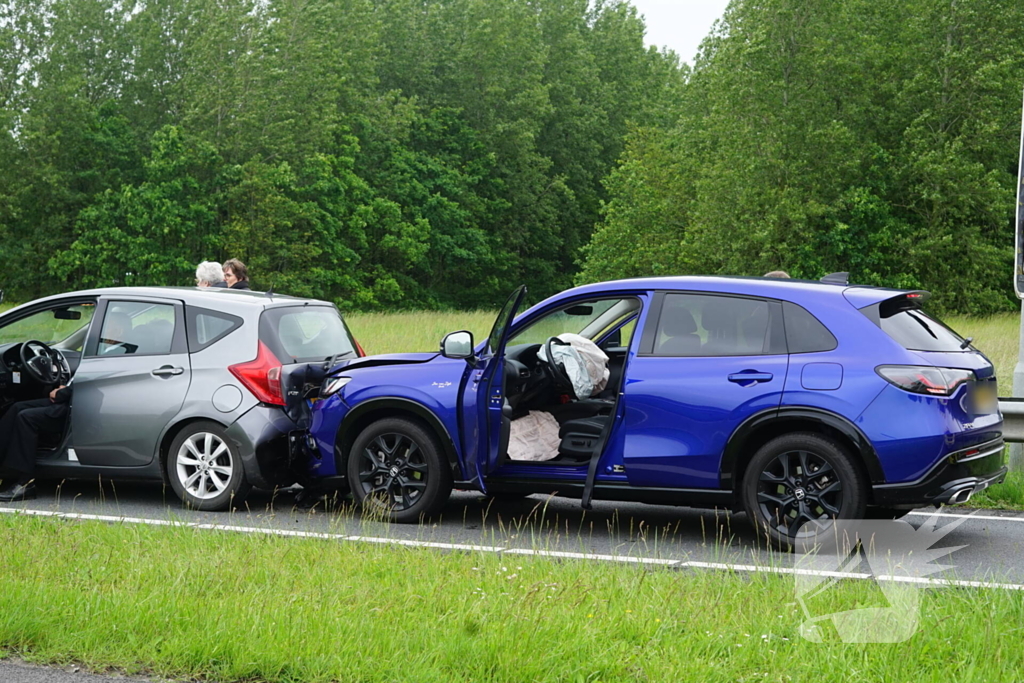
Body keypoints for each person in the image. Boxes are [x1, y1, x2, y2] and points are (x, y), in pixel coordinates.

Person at [0, 384, 72, 501]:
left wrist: (60, 393)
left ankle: (25, 484)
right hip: (69, 400)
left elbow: (80, 384)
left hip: (73, 406)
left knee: (26, 418)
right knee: (17, 407)